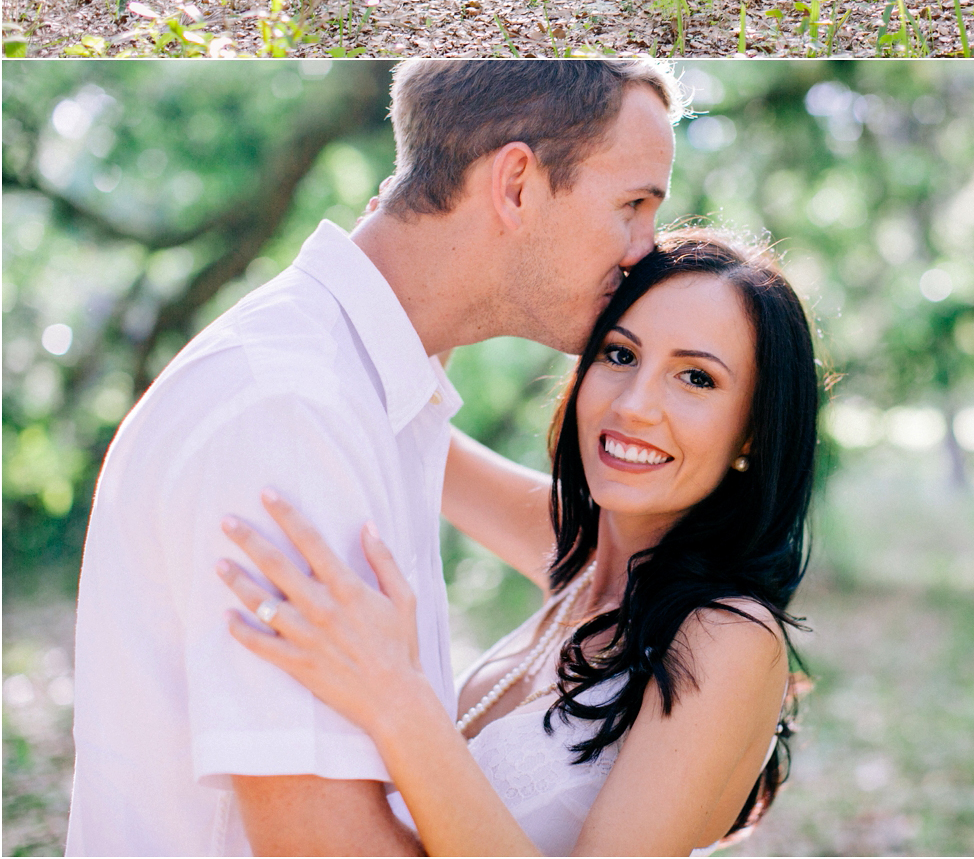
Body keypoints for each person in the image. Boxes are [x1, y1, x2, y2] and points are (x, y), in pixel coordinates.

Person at [65, 58, 681, 858]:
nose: (647, 249)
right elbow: (323, 843)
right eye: (632, 205)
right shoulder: (292, 413)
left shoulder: (372, 385)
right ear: (518, 184)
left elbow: (609, 561)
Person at [216, 230, 820, 856]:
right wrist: (424, 250)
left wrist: (398, 697)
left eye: (695, 378)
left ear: (754, 432)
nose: (637, 405)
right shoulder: (583, 554)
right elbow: (405, 428)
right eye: (619, 355)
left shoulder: (727, 635)